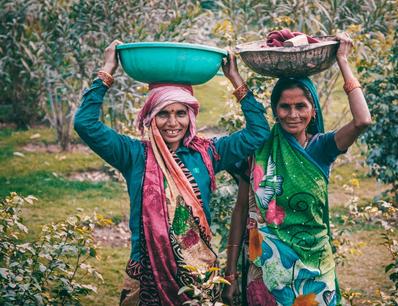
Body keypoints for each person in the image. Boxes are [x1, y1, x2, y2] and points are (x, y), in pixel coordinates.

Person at [74, 40, 270, 305]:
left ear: (191, 116)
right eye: (163, 114)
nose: (172, 123)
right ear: (150, 117)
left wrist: (235, 78)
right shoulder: (133, 155)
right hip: (146, 276)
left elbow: (258, 131)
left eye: (180, 113)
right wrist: (108, 70)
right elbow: (85, 124)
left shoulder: (208, 153)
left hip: (197, 275)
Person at [222, 32, 372, 306]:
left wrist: (343, 61)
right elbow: (241, 208)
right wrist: (230, 271)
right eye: (285, 107)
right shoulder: (259, 148)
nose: (293, 114)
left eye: (301, 106)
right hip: (265, 267)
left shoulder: (322, 147)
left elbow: (362, 120)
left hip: (314, 266)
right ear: (275, 110)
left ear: (313, 110)